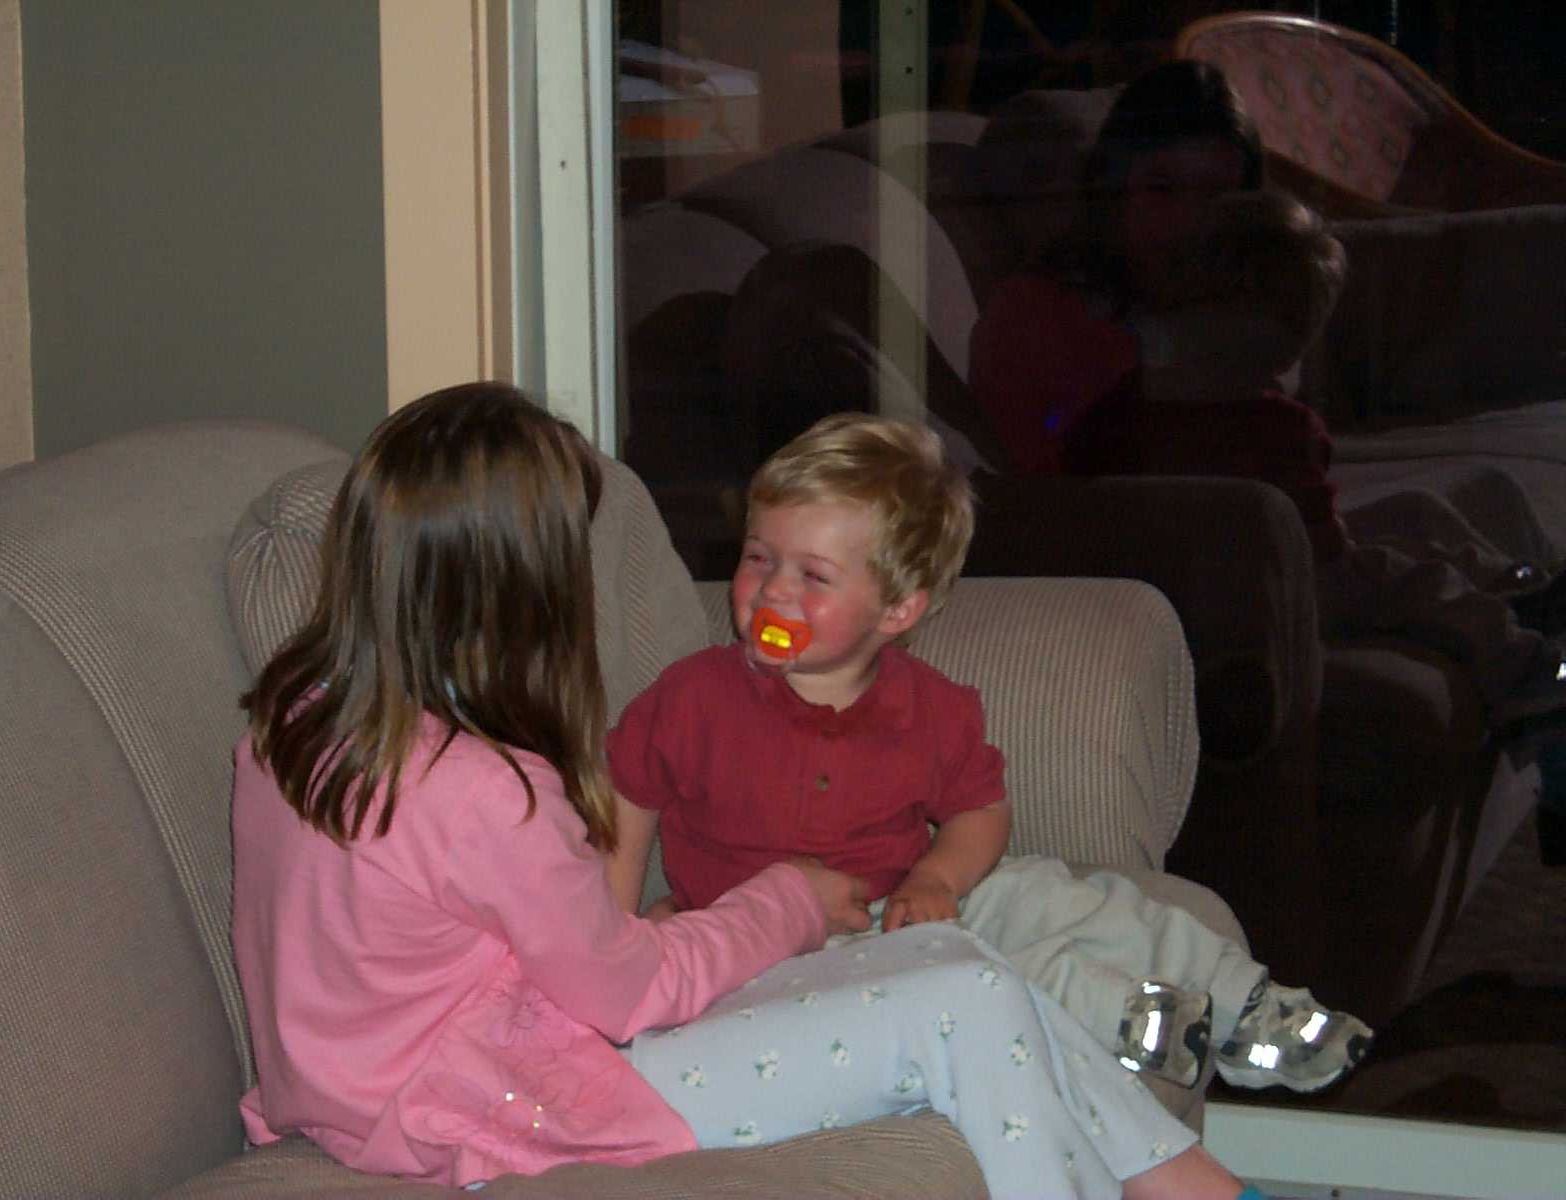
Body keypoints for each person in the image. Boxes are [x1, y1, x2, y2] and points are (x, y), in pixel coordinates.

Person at [230, 382, 1255, 1198]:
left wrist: (650, 928)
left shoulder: (291, 722)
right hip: (498, 1097)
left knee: (951, 956)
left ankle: (1184, 1183)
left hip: (399, 1073)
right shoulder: (487, 791)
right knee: (965, 1003)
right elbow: (624, 992)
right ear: (522, 589)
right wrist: (787, 900)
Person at [605, 412, 1373, 1097]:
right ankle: (1135, 1023)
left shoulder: (931, 708)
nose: (771, 592)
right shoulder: (692, 695)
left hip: (903, 901)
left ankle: (1247, 1005)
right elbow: (629, 800)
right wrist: (618, 932)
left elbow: (979, 811)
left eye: (813, 576)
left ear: (897, 609)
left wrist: (937, 876)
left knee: (1048, 894)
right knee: (971, 973)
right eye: (757, 557)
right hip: (773, 953)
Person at [1065, 189, 1566, 729]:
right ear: (1295, 343)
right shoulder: (1281, 426)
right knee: (1409, 582)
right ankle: (1523, 668)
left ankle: (1512, 585)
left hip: (1176, 583)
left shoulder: (1120, 402)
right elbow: (1322, 546)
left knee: (1410, 516)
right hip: (1268, 597)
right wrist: (1351, 549)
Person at [969, 59, 1264, 477]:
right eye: (1162, 189)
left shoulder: (1246, 307)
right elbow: (1039, 484)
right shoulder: (1035, 314)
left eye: (1215, 198)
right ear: (1114, 186)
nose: (1187, 224)